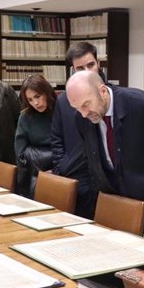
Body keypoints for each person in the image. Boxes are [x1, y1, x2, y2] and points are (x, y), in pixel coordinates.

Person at [66, 70, 144, 246]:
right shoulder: (83, 118)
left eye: (86, 104)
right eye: (77, 108)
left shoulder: (142, 105)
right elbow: (92, 158)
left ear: (102, 91)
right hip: (116, 206)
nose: (84, 113)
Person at [50, 42, 106, 219]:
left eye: (91, 65)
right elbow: (56, 137)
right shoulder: (64, 100)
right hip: (74, 176)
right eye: (80, 68)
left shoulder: (110, 95)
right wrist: (61, 166)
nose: (87, 71)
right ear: (73, 70)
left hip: (105, 180)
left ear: (99, 63)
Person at [14, 74, 56, 197]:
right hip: (34, 173)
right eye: (30, 100)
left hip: (63, 171)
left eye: (37, 96)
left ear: (46, 91)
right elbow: (20, 152)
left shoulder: (60, 110)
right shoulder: (25, 117)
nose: (36, 103)